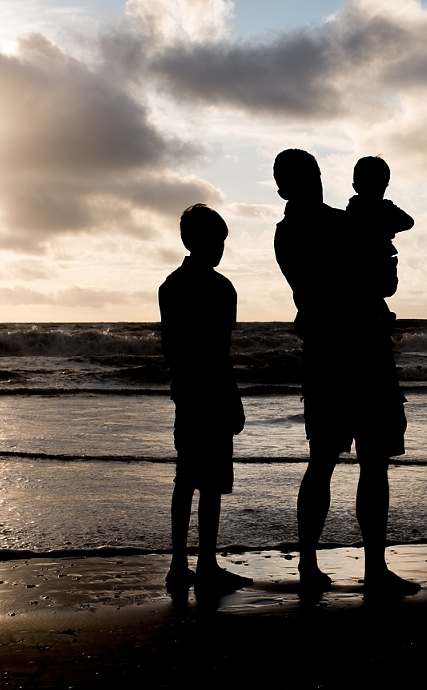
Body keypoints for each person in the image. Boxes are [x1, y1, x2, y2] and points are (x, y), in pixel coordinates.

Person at [272, 148, 420, 596]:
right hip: (352, 351)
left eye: (315, 175)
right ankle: (362, 567)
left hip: (333, 353)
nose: (315, 183)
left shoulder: (310, 227)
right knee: (355, 463)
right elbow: (379, 281)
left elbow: (378, 276)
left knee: (338, 462)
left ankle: (319, 565)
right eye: (307, 178)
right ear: (285, 189)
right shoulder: (323, 226)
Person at [159, 203, 250, 596]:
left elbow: (174, 349)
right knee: (204, 480)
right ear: (198, 242)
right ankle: (198, 563)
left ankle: (187, 564)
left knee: (193, 479)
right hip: (207, 391)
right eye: (217, 240)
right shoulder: (219, 288)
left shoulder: (172, 287)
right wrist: (232, 397)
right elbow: (219, 351)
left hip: (191, 392)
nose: (220, 248)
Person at [343, 155, 414, 306]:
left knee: (370, 294)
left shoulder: (356, 209)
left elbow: (408, 222)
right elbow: (408, 222)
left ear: (355, 186)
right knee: (369, 293)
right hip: (367, 266)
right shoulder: (369, 209)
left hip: (372, 268)